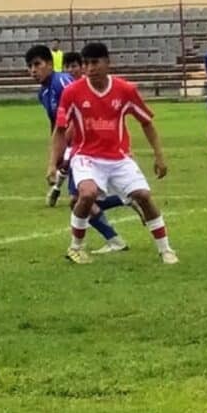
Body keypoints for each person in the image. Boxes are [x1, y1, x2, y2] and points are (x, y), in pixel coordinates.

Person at [48, 43, 178, 265]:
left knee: (144, 197)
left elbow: (146, 123)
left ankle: (165, 249)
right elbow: (60, 130)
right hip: (86, 156)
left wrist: (159, 156)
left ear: (108, 63)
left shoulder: (125, 90)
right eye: (86, 63)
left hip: (118, 157)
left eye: (95, 62)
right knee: (86, 194)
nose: (90, 68)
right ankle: (75, 248)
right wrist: (52, 164)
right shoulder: (72, 92)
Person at [25, 44, 135, 255]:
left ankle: (114, 231)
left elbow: (81, 111)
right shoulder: (44, 92)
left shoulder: (62, 83)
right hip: (76, 147)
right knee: (80, 199)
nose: (33, 70)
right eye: (29, 66)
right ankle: (120, 218)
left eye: (37, 64)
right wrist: (56, 153)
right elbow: (58, 126)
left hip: (86, 147)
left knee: (79, 199)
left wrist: (66, 154)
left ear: (49, 63)